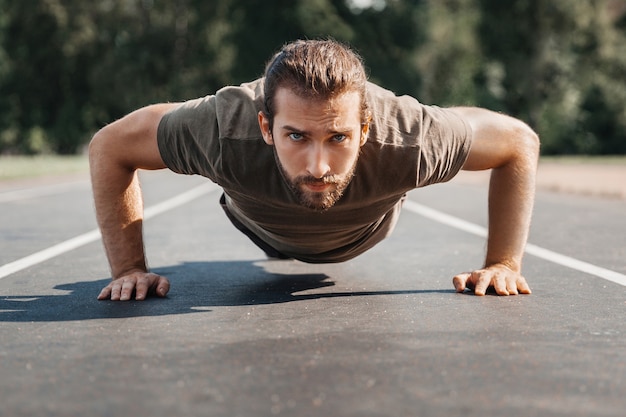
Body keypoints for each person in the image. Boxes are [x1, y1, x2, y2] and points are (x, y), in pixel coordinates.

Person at [89, 39, 539, 301]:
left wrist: (503, 263)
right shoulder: (221, 129)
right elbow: (110, 146)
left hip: (361, 233)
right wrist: (128, 268)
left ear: (364, 129)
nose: (318, 166)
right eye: (297, 136)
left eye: (338, 138)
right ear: (265, 126)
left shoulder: (411, 137)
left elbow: (518, 142)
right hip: (260, 224)